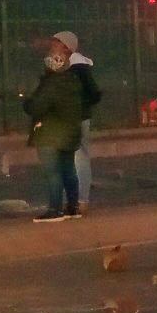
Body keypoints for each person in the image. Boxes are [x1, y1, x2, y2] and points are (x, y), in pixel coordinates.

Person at [27, 36, 91, 222]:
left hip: (50, 132)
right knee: (69, 169)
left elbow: (37, 108)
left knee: (53, 172)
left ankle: (55, 209)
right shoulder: (73, 82)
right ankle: (73, 206)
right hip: (70, 131)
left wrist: (28, 105)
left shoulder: (49, 85)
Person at [55, 32, 103, 209]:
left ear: (67, 47)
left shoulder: (77, 68)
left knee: (76, 158)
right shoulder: (71, 66)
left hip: (75, 118)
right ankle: (76, 199)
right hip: (73, 117)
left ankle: (79, 199)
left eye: (57, 42)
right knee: (73, 158)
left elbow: (93, 93)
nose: (53, 46)